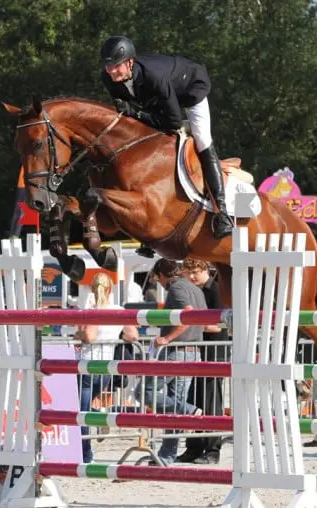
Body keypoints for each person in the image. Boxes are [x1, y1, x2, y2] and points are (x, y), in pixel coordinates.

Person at [99, 36, 233, 239]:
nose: (111, 71)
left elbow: (173, 122)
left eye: (116, 66)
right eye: (108, 66)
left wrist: (135, 113)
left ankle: (221, 212)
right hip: (159, 99)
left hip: (190, 89)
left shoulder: (153, 76)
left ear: (130, 62)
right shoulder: (109, 78)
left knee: (202, 139)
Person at [138, 258, 207, 465]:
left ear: (162, 275)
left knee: (145, 392)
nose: (158, 283)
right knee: (173, 406)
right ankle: (166, 456)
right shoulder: (195, 289)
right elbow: (205, 321)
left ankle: (189, 410)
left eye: (157, 278)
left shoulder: (176, 288)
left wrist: (167, 338)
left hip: (176, 351)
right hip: (193, 351)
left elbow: (189, 314)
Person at [73, 272, 139, 463]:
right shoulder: (118, 310)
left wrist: (79, 334)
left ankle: (86, 455)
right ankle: (99, 418)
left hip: (88, 363)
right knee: (84, 407)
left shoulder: (93, 310)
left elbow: (90, 337)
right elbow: (132, 335)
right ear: (110, 289)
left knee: (80, 412)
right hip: (107, 365)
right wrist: (113, 336)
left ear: (92, 289)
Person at [176, 259, 227, 464]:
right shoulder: (195, 291)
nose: (192, 277)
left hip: (215, 353)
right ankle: (194, 447)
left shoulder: (216, 290)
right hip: (199, 352)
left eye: (195, 272)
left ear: (205, 269)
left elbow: (220, 325)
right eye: (188, 273)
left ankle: (213, 450)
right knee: (195, 400)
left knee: (211, 402)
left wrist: (193, 324)